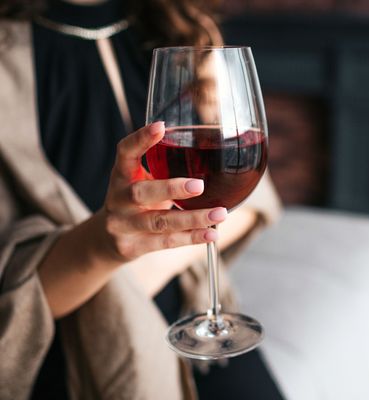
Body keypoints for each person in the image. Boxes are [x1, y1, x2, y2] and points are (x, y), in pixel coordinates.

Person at [0, 0, 283, 399]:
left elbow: (252, 191)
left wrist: (147, 264)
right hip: (74, 348)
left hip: (193, 307)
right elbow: (14, 301)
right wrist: (106, 249)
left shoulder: (176, 25)